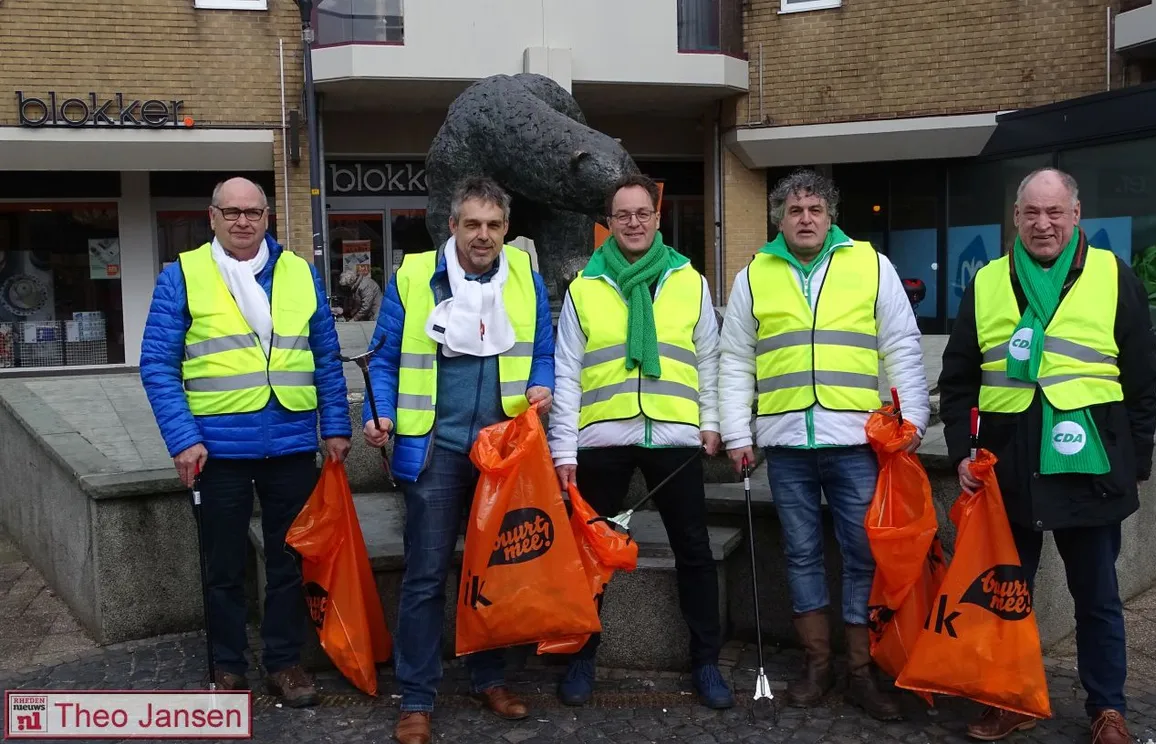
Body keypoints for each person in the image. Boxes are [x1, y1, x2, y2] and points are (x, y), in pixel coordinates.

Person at [937, 167, 1156, 743]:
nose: (1043, 224)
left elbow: (1141, 381)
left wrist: (1136, 463)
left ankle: (1107, 709)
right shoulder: (987, 281)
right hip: (1006, 468)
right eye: (1032, 213)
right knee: (1005, 599)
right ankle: (1007, 699)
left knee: (1098, 599)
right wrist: (963, 452)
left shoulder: (1113, 275)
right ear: (1015, 218)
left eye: (1055, 212)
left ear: (1077, 215)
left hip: (1088, 467)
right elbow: (959, 380)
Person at [718, 168, 929, 720]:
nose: (805, 218)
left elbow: (900, 344)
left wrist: (912, 421)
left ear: (830, 215)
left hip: (854, 438)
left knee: (862, 554)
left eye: (814, 209)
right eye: (794, 210)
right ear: (779, 220)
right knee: (802, 553)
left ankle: (860, 670)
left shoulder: (869, 264)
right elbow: (736, 359)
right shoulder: (753, 276)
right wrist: (740, 432)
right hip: (786, 443)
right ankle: (818, 664)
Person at [139, 177, 352, 706]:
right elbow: (158, 366)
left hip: (290, 445)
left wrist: (336, 427)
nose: (242, 221)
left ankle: (284, 662)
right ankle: (227, 667)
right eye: (230, 212)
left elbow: (325, 357)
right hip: (217, 450)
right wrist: (184, 438)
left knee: (288, 562)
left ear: (267, 217)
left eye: (252, 212)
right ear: (211, 217)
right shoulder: (182, 275)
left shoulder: (300, 273)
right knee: (223, 565)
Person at [361, 176, 555, 744]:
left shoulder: (527, 278)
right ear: (452, 226)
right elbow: (383, 358)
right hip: (436, 451)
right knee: (425, 576)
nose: (483, 235)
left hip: (502, 453)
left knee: (494, 572)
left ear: (506, 230)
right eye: (472, 224)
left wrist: (541, 385)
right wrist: (382, 415)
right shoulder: (413, 276)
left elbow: (541, 351)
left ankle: (489, 677)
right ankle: (417, 697)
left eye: (494, 225)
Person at [547, 173, 732, 710]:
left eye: (642, 214)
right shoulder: (585, 287)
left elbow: (710, 360)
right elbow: (566, 375)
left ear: (657, 217)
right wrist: (564, 451)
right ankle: (582, 655)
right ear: (609, 222)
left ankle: (706, 661)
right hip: (602, 438)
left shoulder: (689, 281)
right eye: (622, 215)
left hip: (674, 435)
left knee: (694, 551)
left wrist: (712, 422)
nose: (633, 223)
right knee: (589, 554)